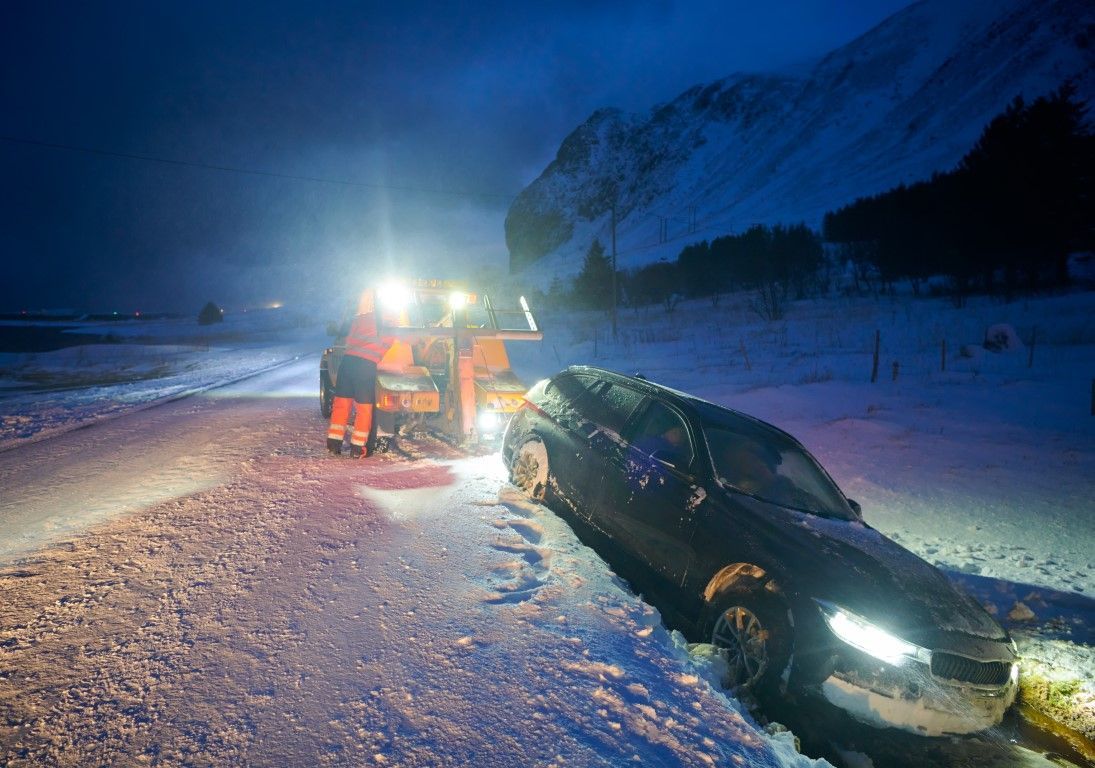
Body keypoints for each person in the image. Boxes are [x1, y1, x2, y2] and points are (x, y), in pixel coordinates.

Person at [327, 288, 394, 458]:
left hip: (348, 363)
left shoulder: (359, 318)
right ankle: (358, 449)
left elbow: (348, 340)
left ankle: (333, 444)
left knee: (341, 404)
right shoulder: (387, 318)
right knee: (364, 409)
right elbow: (396, 337)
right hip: (366, 366)